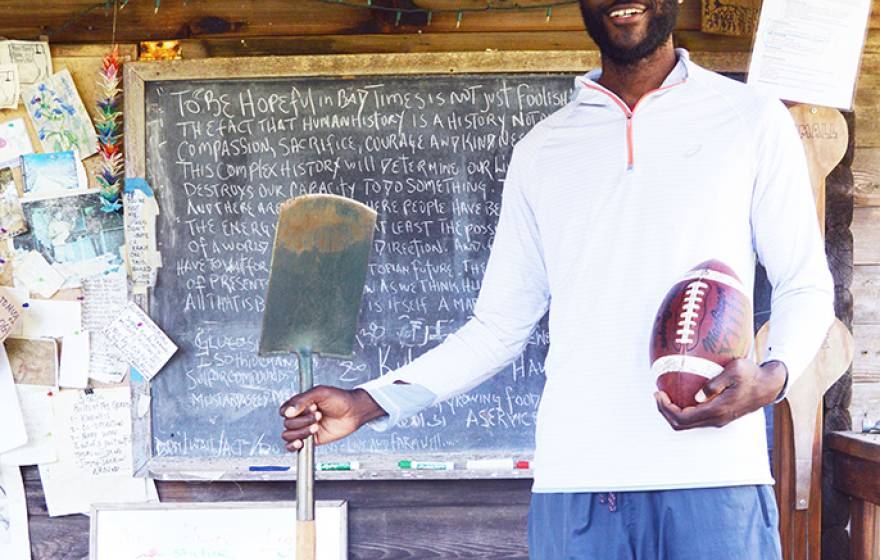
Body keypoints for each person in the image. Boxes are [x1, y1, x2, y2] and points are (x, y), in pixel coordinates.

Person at [279, 0, 835, 557]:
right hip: (577, 483)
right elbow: (496, 329)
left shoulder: (750, 119)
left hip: (716, 480)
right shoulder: (542, 151)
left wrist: (775, 375)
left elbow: (804, 283)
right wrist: (367, 401)